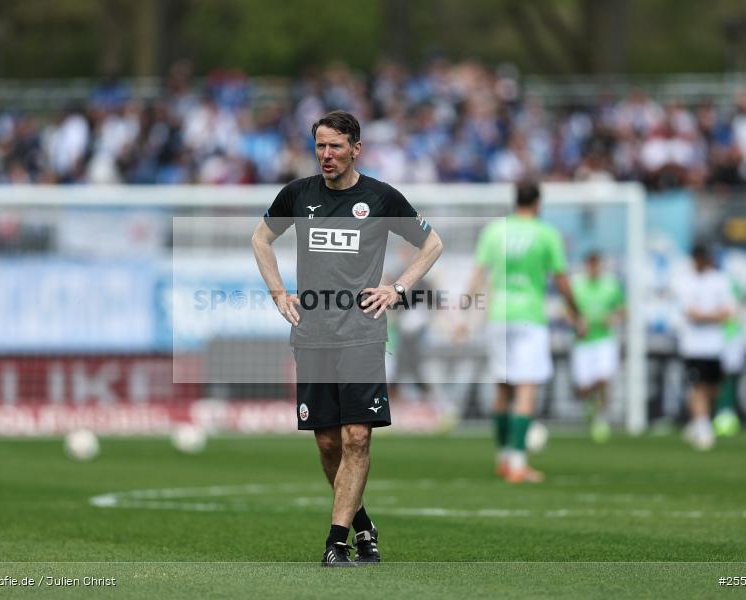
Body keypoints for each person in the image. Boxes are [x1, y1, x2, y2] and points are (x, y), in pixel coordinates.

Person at [251, 110, 443, 566]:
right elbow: (260, 239)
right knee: (328, 444)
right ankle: (363, 526)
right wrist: (278, 292)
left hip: (362, 333)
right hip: (312, 334)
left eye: (335, 146)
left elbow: (432, 243)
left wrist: (397, 288)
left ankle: (335, 542)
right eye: (320, 145)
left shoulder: (379, 197)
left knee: (357, 435)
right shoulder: (298, 194)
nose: (326, 154)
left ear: (356, 149)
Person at [462, 180, 583, 484]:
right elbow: (561, 279)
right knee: (526, 387)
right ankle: (518, 463)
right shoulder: (546, 233)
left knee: (503, 388)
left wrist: (464, 310)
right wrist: (575, 312)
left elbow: (478, 273)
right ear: (538, 203)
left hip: (498, 315)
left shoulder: (494, 231)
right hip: (529, 316)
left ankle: (503, 458)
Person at [674, 244, 736, 451]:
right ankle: (703, 426)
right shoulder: (685, 281)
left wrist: (706, 317)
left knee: (713, 388)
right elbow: (690, 313)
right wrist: (713, 316)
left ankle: (697, 421)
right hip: (692, 346)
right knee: (698, 386)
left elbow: (728, 311)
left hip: (715, 346)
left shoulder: (719, 280)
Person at [569, 251, 625, 443]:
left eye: (596, 264)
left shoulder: (611, 285)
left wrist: (613, 317)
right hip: (582, 341)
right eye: (590, 264)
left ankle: (601, 418)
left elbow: (622, 310)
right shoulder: (576, 285)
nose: (594, 268)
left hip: (603, 339)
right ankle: (590, 404)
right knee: (583, 388)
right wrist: (576, 322)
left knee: (603, 378)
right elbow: (565, 311)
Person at [713, 279, 745, 437]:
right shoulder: (719, 283)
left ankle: (726, 410)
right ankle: (719, 411)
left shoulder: (729, 283)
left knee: (729, 375)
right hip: (715, 338)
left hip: (731, 337)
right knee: (714, 376)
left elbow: (739, 307)